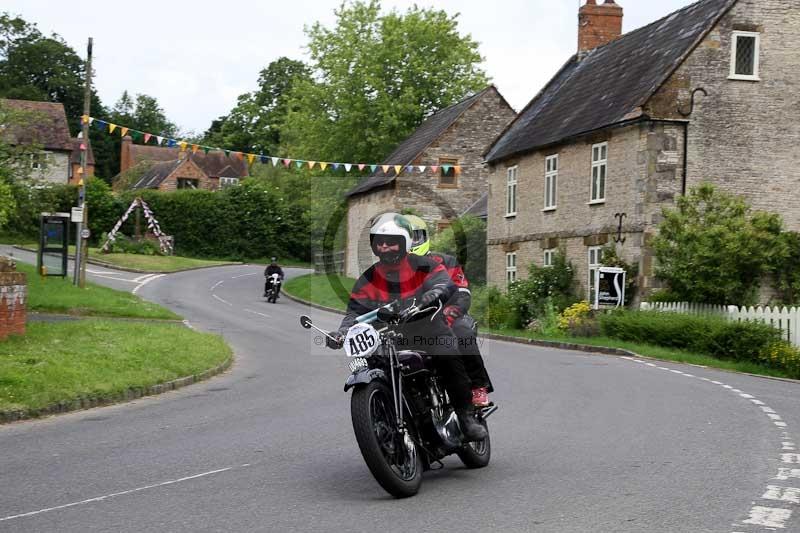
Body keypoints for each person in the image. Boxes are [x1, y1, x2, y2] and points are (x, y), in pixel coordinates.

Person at [327, 212, 487, 441]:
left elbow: (444, 284)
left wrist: (428, 297)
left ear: (404, 243)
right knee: (377, 364)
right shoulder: (369, 278)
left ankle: (465, 416)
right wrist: (342, 332)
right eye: (379, 242)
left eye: (392, 242)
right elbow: (355, 311)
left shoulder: (424, 265)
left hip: (428, 328)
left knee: (447, 353)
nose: (385, 247)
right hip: (392, 336)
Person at [404, 215, 493, 407]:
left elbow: (462, 293)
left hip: (448, 317)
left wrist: (449, 315)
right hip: (414, 325)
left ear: (424, 238)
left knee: (462, 332)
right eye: (405, 239)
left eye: (414, 238)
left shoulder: (444, 261)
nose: (411, 244)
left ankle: (477, 386)